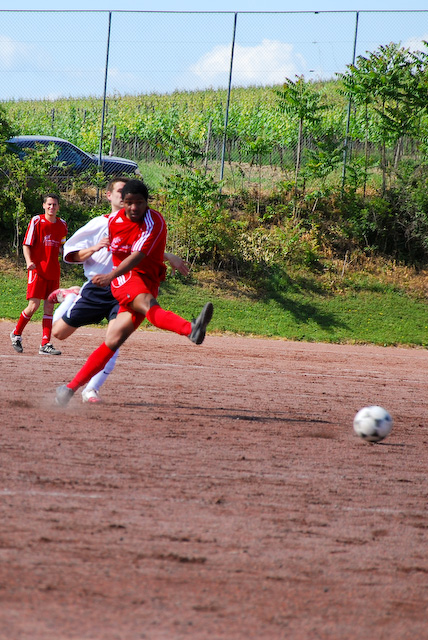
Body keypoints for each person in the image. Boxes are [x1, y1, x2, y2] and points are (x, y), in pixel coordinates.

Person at [55, 179, 213, 407]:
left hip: (145, 278)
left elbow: (138, 254)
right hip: (125, 279)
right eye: (129, 202)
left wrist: (112, 274)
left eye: (139, 202)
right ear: (122, 201)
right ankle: (191, 329)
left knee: (113, 340)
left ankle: (69, 389)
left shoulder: (154, 221)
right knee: (149, 306)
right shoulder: (113, 222)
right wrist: (111, 275)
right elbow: (120, 254)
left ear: (146, 203)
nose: (134, 207)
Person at [10, 193, 68, 355]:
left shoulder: (62, 224)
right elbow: (26, 244)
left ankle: (45, 344)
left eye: (54, 204)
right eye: (49, 204)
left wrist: (73, 255)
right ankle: (16, 334)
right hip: (37, 270)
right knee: (33, 306)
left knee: (49, 307)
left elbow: (63, 247)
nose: (51, 207)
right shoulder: (37, 221)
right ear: (44, 206)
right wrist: (29, 262)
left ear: (58, 207)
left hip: (53, 271)